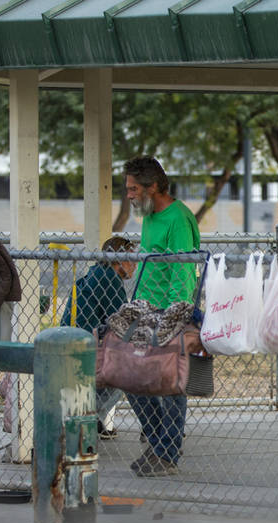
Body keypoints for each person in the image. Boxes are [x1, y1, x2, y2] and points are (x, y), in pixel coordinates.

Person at [123, 156, 201, 477]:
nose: (128, 194)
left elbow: (182, 274)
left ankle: (167, 453)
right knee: (127, 375)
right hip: (143, 310)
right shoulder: (149, 217)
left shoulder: (177, 219)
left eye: (133, 188)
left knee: (169, 384)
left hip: (169, 313)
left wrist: (173, 320)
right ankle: (158, 442)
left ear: (152, 187)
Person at [59, 236, 137, 440]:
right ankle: (86, 414)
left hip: (74, 341)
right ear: (117, 259)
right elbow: (123, 323)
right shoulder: (108, 278)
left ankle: (88, 414)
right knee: (127, 372)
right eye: (131, 258)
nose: (135, 264)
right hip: (82, 347)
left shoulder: (97, 273)